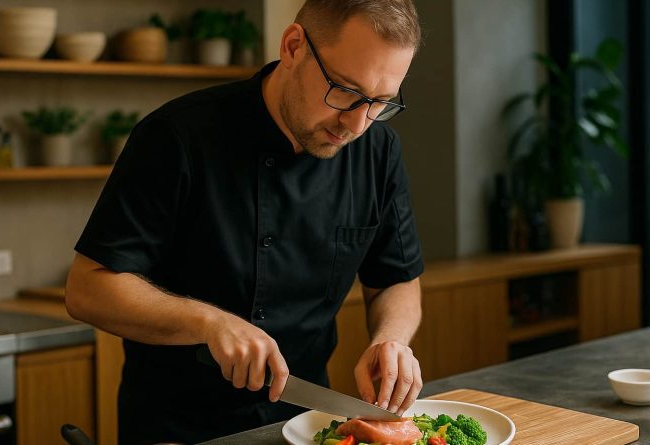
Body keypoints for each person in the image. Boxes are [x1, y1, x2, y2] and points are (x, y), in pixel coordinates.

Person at [65, 1, 424, 443]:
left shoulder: (378, 152)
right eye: (346, 92)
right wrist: (208, 322)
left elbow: (396, 279)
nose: (356, 123)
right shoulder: (177, 136)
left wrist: (390, 340)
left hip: (306, 423)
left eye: (380, 102)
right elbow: (88, 288)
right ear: (293, 46)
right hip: (179, 428)